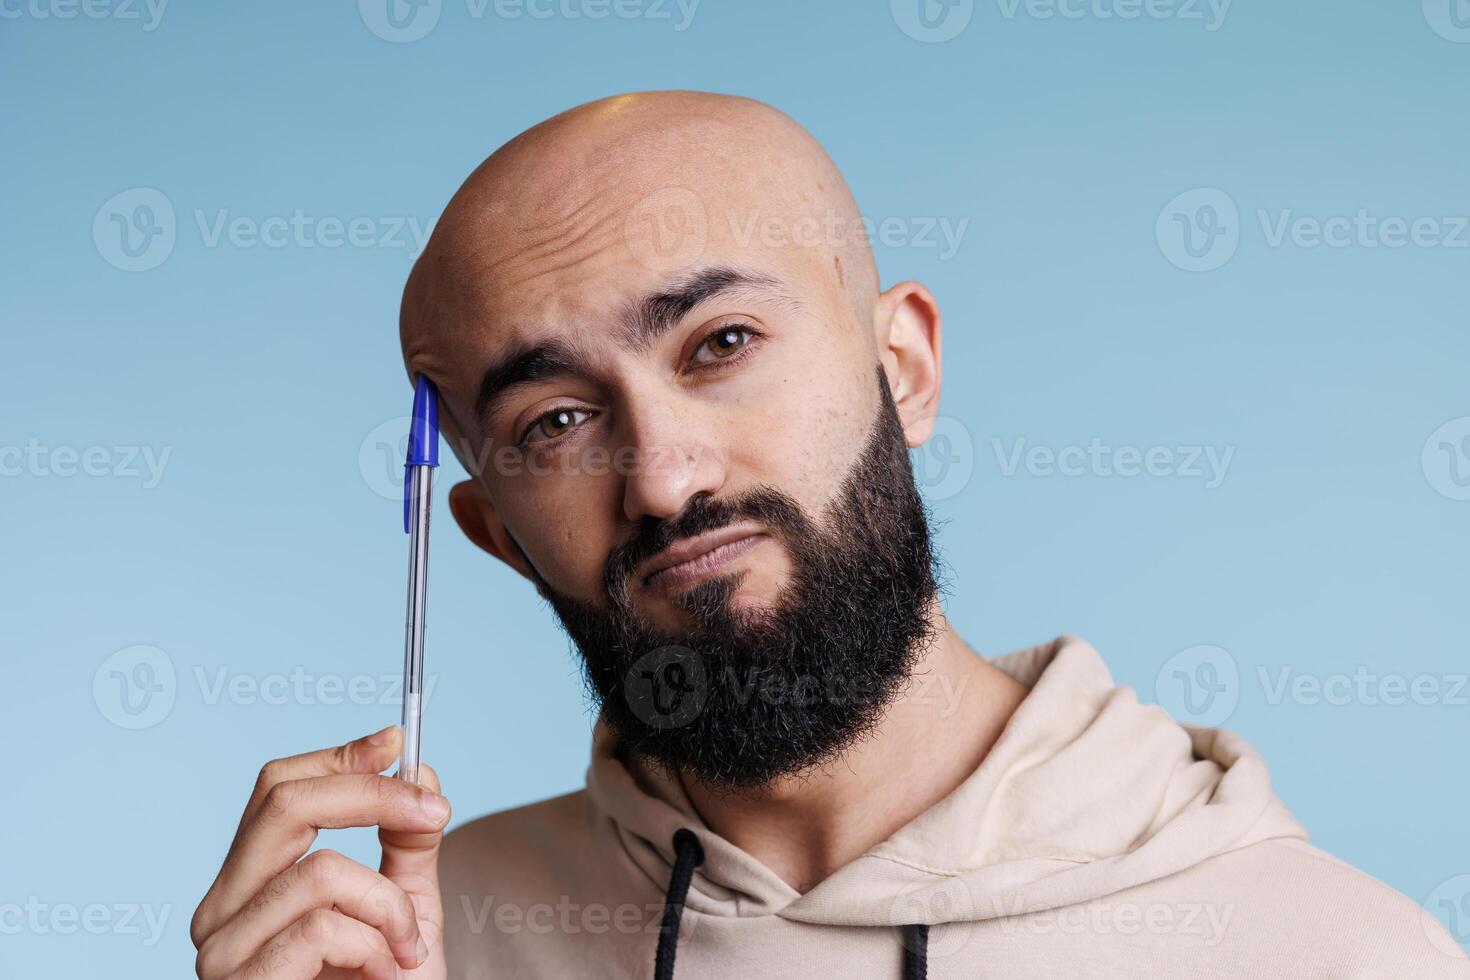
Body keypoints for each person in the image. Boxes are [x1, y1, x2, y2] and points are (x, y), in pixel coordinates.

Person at [190, 91, 1469, 979]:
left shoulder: (1338, 954)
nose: (664, 476)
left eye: (722, 344)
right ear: (494, 535)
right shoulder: (416, 938)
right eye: (558, 417)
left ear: (902, 366)